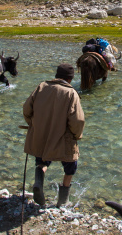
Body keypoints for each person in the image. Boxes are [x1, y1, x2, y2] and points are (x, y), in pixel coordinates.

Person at [23, 63, 85, 207]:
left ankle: (39, 180)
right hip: (63, 138)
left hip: (41, 134)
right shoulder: (71, 93)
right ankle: (63, 200)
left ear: (57, 75)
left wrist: (33, 125)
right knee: (71, 165)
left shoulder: (41, 87)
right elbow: (78, 120)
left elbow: (27, 109)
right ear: (69, 79)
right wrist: (77, 135)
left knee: (42, 159)